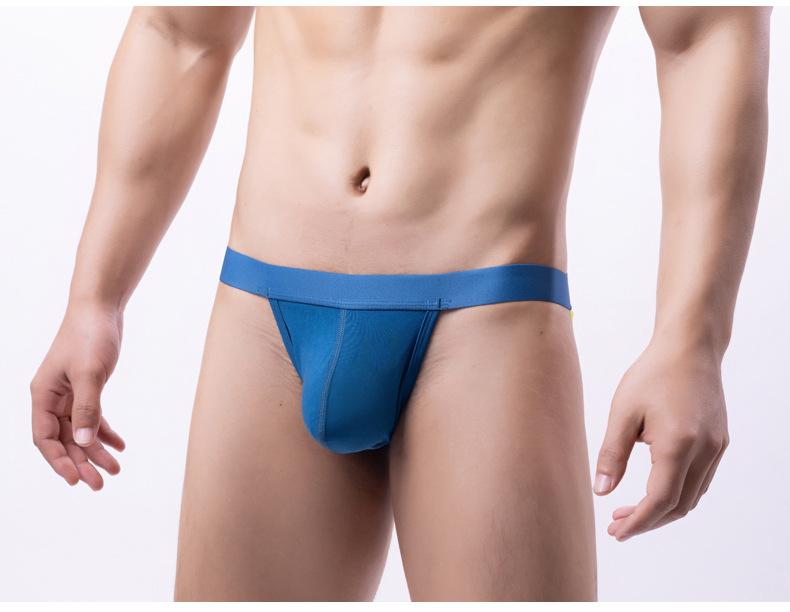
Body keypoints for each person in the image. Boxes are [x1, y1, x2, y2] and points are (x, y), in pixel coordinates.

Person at [29, 6, 771, 602]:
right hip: (265, 310)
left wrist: (692, 341)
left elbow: (707, 34)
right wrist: (95, 298)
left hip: (484, 314)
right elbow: (179, 30)